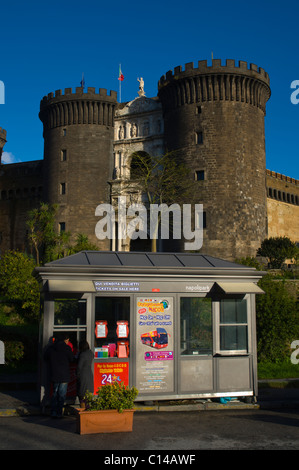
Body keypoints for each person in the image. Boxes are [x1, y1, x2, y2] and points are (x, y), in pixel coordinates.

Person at [44, 334, 74, 418]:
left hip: (54, 374)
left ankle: (53, 411)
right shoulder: (67, 348)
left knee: (54, 393)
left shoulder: (51, 348)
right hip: (64, 374)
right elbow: (72, 359)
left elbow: (45, 357)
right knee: (62, 394)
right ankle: (59, 412)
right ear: (65, 340)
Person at [76, 340, 94, 407]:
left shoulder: (82, 355)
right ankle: (88, 409)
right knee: (88, 395)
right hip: (89, 374)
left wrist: (77, 374)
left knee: (82, 395)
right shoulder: (90, 353)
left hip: (83, 376)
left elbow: (79, 366)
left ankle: (83, 411)